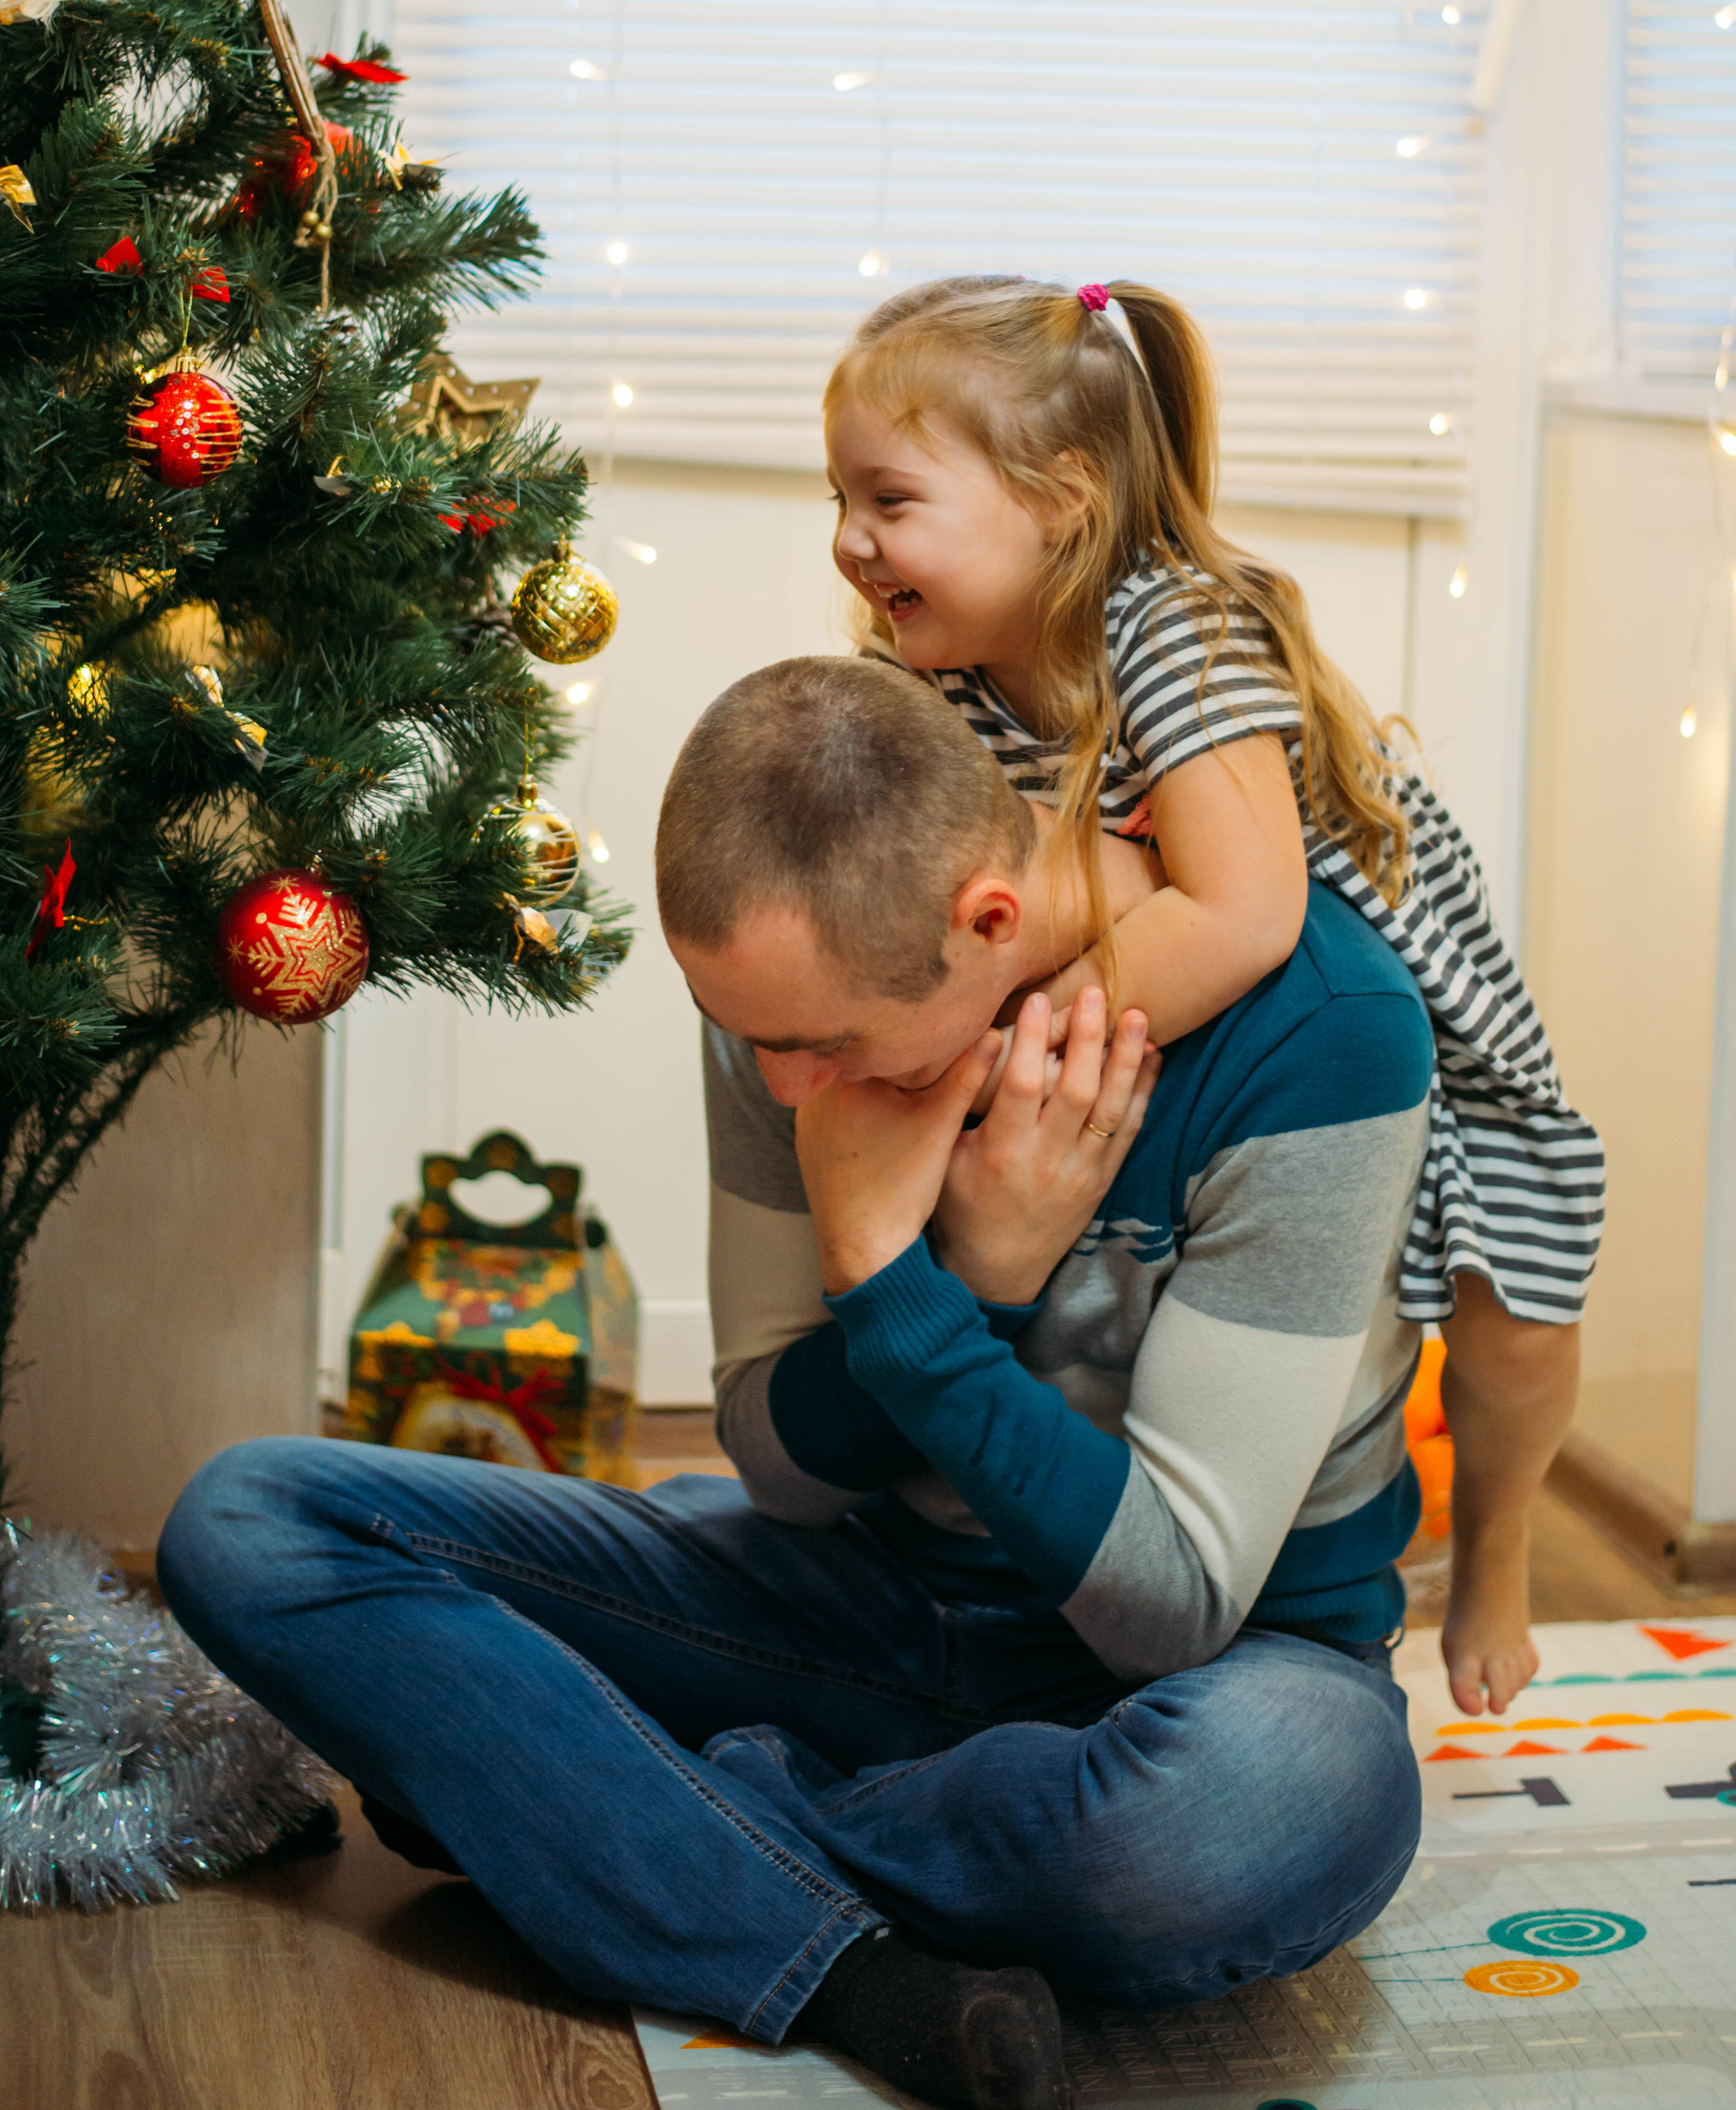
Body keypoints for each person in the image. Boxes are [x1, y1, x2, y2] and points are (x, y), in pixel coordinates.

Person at [160, 655, 1429, 2110]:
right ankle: (845, 1965)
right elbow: (778, 1467)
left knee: (1284, 1805)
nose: (781, 1086)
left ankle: (605, 1803)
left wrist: (906, 1297)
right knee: (249, 1520)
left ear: (987, 924)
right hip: (867, 1611)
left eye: (820, 1045)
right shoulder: (781, 1006)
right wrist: (968, 1272)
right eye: (749, 1034)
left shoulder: (1322, 1030)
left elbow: (1170, 1606)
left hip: (1220, 1676)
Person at [823, 274, 1597, 1719]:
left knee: (1515, 1300)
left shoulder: (1172, 628)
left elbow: (1242, 914)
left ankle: (1497, 1549)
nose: (850, 540)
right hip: (1172, 976)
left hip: (1404, 1004)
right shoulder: (935, 675)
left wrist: (1020, 1047)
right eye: (842, 499)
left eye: (890, 501)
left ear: (1060, 501)